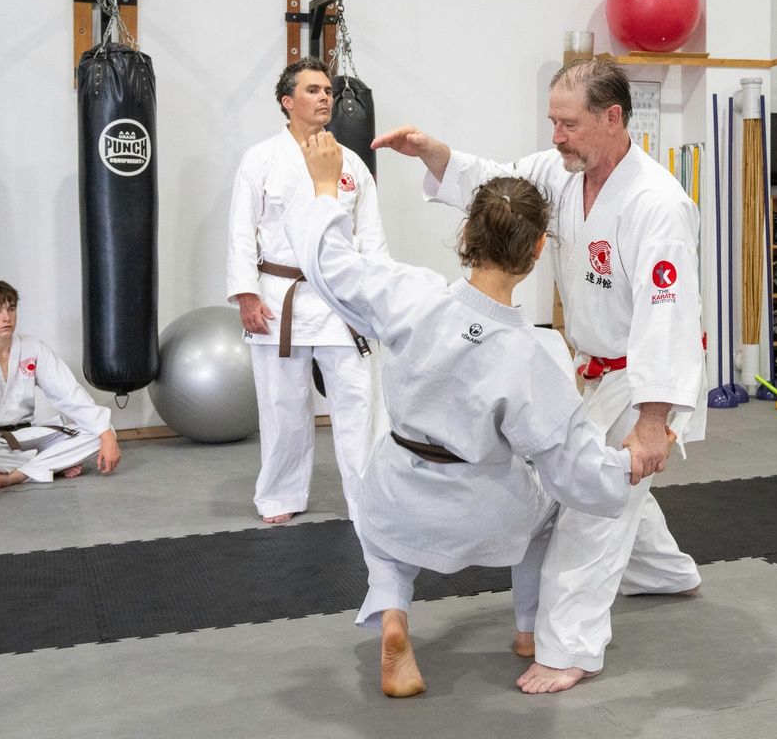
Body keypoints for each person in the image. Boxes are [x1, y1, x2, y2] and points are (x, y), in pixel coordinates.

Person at [285, 130, 669, 698]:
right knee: (550, 518)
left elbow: (331, 264)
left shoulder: (410, 294)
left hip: (401, 494)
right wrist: (631, 462)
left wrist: (324, 188)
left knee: (378, 526)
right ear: (539, 253)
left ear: (464, 234)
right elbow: (573, 466)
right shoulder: (534, 355)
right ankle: (526, 629)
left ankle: (394, 617)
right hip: (485, 511)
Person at [372, 57, 706, 693]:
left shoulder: (658, 205)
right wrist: (436, 154)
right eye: (551, 122)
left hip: (643, 378)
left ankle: (570, 648)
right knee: (618, 490)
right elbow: (499, 186)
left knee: (589, 512)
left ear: (613, 118)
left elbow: (670, 320)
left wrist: (655, 421)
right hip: (592, 368)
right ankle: (670, 574)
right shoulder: (561, 170)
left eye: (568, 123)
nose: (556, 136)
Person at [226, 57, 389, 525]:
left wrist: (374, 294)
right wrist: (246, 294)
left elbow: (371, 235)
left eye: (327, 90)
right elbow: (241, 231)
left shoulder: (351, 162)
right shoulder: (260, 159)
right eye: (313, 90)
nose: (324, 97)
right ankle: (280, 496)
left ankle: (368, 502)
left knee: (360, 406)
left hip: (341, 299)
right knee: (282, 407)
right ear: (287, 101)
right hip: (280, 297)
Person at [0, 280, 121, 496]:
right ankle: (49, 465)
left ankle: (15, 476)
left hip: (29, 434)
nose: (6, 317)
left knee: (102, 432)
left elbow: (67, 392)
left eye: (11, 309)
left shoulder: (33, 348)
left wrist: (105, 434)